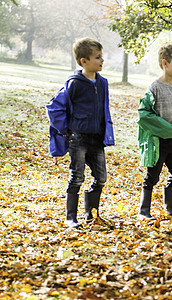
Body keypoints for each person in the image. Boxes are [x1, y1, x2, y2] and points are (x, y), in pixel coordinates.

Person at [46, 37, 115, 229]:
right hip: (78, 138)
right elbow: (54, 107)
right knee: (77, 176)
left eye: (102, 57)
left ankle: (91, 215)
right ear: (84, 61)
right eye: (97, 57)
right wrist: (65, 130)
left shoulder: (103, 83)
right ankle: (70, 217)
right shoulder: (74, 83)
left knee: (100, 177)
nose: (102, 61)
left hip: (97, 139)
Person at [136, 44, 172, 221]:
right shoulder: (154, 88)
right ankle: (144, 211)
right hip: (157, 142)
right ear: (165, 63)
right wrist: (165, 128)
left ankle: (171, 208)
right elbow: (143, 114)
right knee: (152, 177)